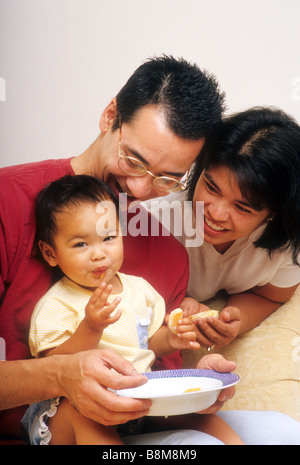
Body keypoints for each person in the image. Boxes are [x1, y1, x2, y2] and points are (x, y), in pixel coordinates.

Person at [0, 55, 231, 443]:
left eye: (167, 179)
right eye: (134, 160)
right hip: (46, 428)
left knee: (280, 431)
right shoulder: (8, 201)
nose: (139, 191)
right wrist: (61, 374)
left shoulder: (169, 255)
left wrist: (198, 388)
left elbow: (150, 383)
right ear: (110, 117)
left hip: (130, 428)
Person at [22, 174, 243, 445]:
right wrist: (91, 327)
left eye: (109, 237)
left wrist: (171, 339)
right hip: (73, 409)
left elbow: (147, 342)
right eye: (81, 244)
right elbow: (52, 366)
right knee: (81, 414)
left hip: (137, 398)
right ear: (50, 253)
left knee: (199, 417)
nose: (99, 254)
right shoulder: (58, 303)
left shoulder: (140, 290)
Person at [177, 106, 300, 349]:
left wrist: (235, 320)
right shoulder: (153, 222)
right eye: (211, 187)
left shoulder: (286, 246)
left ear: (275, 213)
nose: (215, 213)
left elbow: (270, 295)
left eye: (242, 207)